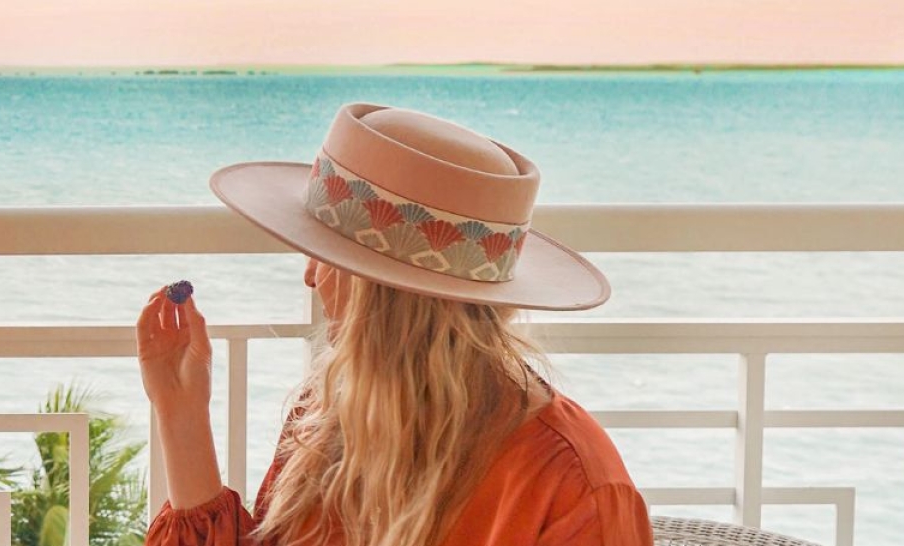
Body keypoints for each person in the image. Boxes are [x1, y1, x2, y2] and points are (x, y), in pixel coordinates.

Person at [136, 103, 652, 545]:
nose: (310, 278)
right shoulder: (325, 419)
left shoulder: (568, 483)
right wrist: (181, 415)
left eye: (326, 256)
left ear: (382, 293)